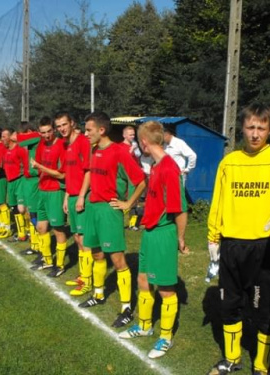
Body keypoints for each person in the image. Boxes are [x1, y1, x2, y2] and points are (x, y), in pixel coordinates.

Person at [206, 103, 270, 375]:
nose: (255, 134)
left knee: (262, 308)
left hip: (262, 248)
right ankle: (232, 358)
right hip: (230, 245)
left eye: (261, 128)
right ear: (242, 128)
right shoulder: (229, 161)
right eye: (250, 127)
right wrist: (213, 237)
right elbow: (218, 200)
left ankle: (261, 365)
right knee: (229, 304)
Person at [118, 120, 188, 359]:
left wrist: (179, 238)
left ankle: (165, 337)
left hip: (163, 233)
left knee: (166, 289)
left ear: (144, 142)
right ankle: (145, 325)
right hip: (150, 231)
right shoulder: (157, 166)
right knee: (143, 279)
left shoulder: (169, 168)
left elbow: (180, 209)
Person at [78, 111, 146, 329]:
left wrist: (128, 204)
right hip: (92, 208)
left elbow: (141, 180)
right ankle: (98, 294)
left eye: (88, 130)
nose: (85, 133)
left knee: (118, 261)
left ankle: (126, 308)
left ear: (101, 130)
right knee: (96, 254)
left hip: (109, 211)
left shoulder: (120, 151)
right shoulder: (94, 149)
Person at [54, 111, 93, 296]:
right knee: (77, 237)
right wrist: (67, 196)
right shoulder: (66, 144)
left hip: (81, 197)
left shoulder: (83, 142)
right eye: (59, 126)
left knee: (84, 239)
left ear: (72, 122)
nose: (61, 129)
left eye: (64, 124)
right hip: (72, 196)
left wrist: (81, 196)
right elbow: (70, 173)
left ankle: (88, 281)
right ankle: (83, 275)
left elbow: (88, 172)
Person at [30, 116, 68, 277]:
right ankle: (47, 260)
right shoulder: (41, 144)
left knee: (58, 229)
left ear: (53, 130)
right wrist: (40, 173)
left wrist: (40, 167)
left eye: (49, 132)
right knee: (41, 227)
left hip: (55, 192)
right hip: (42, 191)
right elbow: (39, 168)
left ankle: (59, 265)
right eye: (43, 132)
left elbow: (62, 175)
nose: (46, 135)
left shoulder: (61, 145)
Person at [15, 122, 41, 254]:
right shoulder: (31, 144)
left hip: (34, 180)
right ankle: (35, 245)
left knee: (35, 214)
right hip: (26, 180)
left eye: (24, 133)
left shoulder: (37, 137)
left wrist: (16, 136)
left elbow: (17, 140)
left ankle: (40, 246)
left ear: (30, 131)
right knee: (31, 214)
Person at [1, 128, 28, 241]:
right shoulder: (5, 150)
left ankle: (29, 228)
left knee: (22, 208)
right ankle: (21, 234)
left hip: (20, 180)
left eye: (4, 136)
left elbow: (27, 165)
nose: (2, 139)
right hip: (10, 182)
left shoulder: (20, 149)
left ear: (11, 136)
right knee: (14, 209)